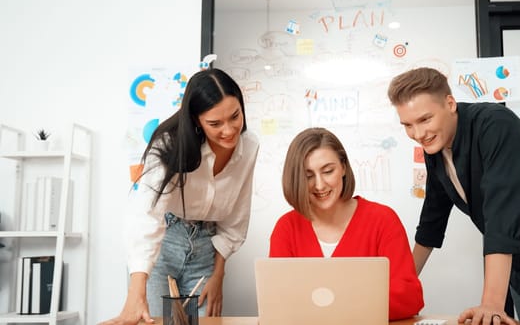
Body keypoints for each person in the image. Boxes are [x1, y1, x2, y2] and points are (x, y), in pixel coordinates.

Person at [387, 67, 520, 325]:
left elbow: (502, 212)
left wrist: (491, 304)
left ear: (450, 103)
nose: (418, 134)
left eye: (425, 119)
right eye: (408, 125)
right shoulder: (434, 146)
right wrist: (399, 287)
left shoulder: (494, 124)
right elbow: (432, 221)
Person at [101, 68, 260, 325]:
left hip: (207, 248)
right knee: (153, 320)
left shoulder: (250, 146)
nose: (229, 130)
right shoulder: (167, 146)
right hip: (164, 242)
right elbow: (146, 217)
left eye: (235, 116)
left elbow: (237, 215)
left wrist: (219, 273)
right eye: (215, 123)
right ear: (197, 120)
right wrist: (136, 290)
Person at [269, 127, 425, 320]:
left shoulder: (382, 220)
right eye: (308, 176)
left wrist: (337, 307)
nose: (319, 185)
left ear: (343, 167)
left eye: (328, 171)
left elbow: (410, 297)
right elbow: (277, 302)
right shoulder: (287, 228)